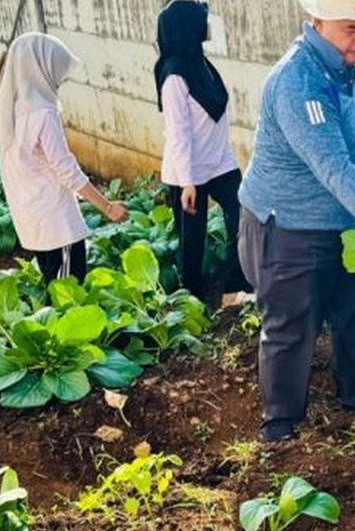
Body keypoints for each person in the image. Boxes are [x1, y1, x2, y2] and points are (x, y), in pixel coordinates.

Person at [238, 0, 355, 443]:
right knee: (290, 327)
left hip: (341, 224)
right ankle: (280, 429)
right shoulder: (299, 80)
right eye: (351, 29)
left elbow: (352, 153)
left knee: (353, 311)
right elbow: (331, 164)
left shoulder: (337, 69)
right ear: (318, 22)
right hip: (289, 227)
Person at [0, 33, 127, 283]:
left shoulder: (5, 109)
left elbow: (33, 166)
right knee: (68, 294)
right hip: (56, 224)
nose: (57, 82)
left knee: (56, 285)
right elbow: (65, 168)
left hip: (30, 216)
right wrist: (108, 207)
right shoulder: (42, 112)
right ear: (40, 69)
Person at [156, 0, 252, 308]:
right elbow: (178, 133)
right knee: (192, 242)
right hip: (187, 172)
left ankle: (233, 290)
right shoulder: (173, 76)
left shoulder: (202, 64)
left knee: (244, 215)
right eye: (202, 20)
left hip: (219, 164)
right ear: (189, 29)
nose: (207, 24)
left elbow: (216, 123)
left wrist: (229, 160)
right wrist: (187, 182)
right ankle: (190, 304)